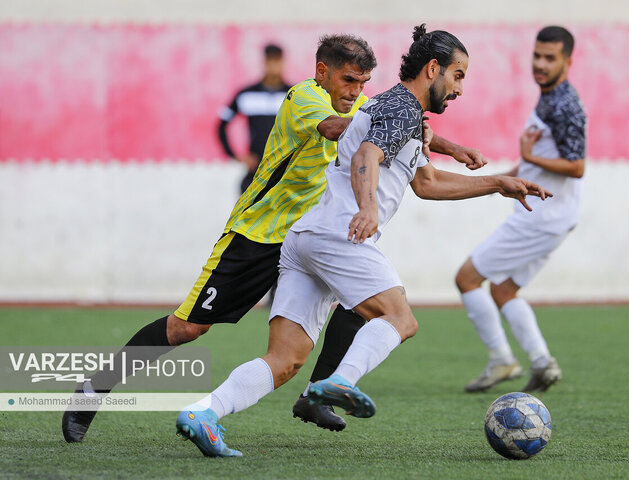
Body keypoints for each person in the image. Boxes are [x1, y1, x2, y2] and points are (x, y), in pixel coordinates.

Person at [62, 33, 487, 443]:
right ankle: (94, 389)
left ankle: (317, 395)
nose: (356, 90)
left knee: (361, 303)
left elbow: (387, 123)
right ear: (322, 72)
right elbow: (343, 128)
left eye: (363, 83)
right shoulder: (305, 97)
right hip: (260, 234)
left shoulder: (362, 104)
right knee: (186, 328)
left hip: (314, 234)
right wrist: (389, 134)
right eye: (348, 80)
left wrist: (450, 146)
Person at [176, 24, 551, 458]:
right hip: (339, 233)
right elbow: (365, 155)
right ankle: (340, 381)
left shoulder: (398, 109)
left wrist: (498, 183)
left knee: (285, 360)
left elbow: (426, 183)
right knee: (400, 318)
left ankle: (204, 412)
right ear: (433, 69)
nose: (459, 88)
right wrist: (367, 207)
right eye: (458, 75)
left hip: (306, 239)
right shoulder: (403, 109)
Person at [456, 26, 586, 394]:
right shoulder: (549, 98)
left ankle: (501, 359)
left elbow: (577, 166)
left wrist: (527, 156)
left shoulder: (564, 105)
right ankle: (542, 363)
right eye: (537, 56)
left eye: (550, 58)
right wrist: (503, 179)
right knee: (503, 290)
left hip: (542, 216)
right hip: (552, 216)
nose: (540, 64)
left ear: (567, 61)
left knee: (466, 278)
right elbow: (541, 163)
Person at [218, 44, 293, 193]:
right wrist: (236, 156)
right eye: (270, 61)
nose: (273, 66)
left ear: (282, 63)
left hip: (284, 173)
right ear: (264, 62)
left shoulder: (293, 95)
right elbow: (221, 125)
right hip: (256, 173)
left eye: (276, 61)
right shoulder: (247, 94)